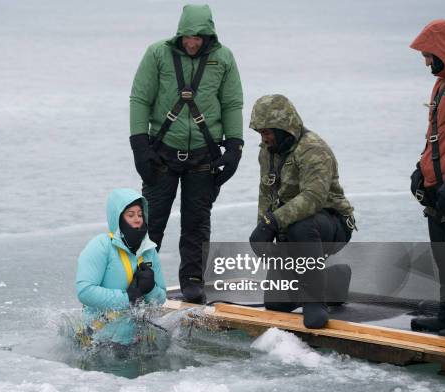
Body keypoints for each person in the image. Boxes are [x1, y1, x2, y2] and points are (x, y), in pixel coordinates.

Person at [129, 4, 244, 303]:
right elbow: (140, 99)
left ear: (209, 36)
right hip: (161, 153)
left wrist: (234, 147)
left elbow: (232, 104)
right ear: (180, 34)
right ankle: (140, 277)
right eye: (187, 37)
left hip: (204, 156)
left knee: (196, 222)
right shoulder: (157, 54)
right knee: (151, 222)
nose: (192, 43)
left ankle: (192, 279)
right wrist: (140, 147)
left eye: (199, 37)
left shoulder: (224, 58)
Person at [248, 94, 356, 329]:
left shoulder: (313, 149)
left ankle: (315, 301)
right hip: (289, 228)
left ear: (283, 128)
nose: (263, 138)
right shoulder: (267, 152)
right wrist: (262, 227)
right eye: (260, 133)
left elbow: (313, 198)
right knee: (276, 303)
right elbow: (266, 192)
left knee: (302, 225)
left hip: (331, 224)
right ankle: (334, 279)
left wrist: (273, 222)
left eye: (267, 132)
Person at [75, 188, 167, 347]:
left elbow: (160, 300)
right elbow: (85, 291)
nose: (137, 219)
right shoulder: (101, 246)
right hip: (98, 341)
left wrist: (151, 288)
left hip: (135, 342)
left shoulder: (149, 250)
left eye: (140, 214)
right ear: (118, 219)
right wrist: (127, 298)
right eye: (130, 215)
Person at [408, 20, 445, 337]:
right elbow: (436, 135)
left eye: (428, 54)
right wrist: (420, 170)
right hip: (438, 186)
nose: (426, 61)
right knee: (443, 255)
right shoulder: (441, 85)